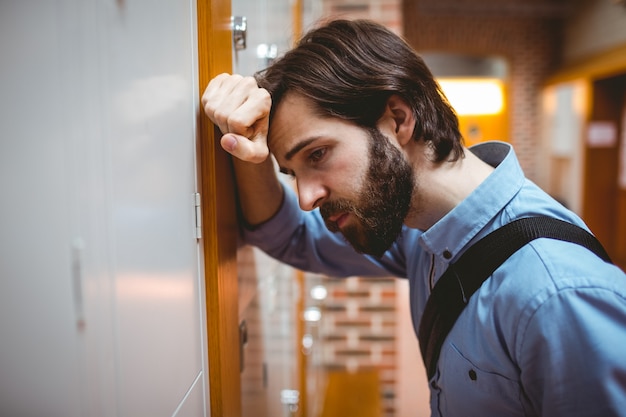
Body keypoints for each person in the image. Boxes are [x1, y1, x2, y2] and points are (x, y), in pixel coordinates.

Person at [202, 19, 626, 417]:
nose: (307, 197)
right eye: (293, 172)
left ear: (399, 119)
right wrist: (244, 144)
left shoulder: (558, 294)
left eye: (318, 154)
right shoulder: (420, 231)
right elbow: (289, 235)